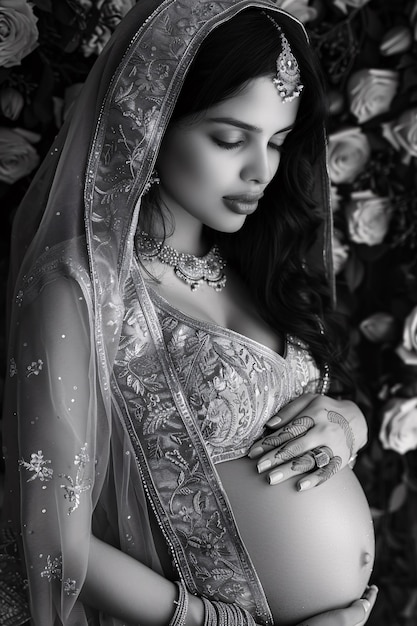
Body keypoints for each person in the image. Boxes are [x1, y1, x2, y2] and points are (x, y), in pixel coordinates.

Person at [0, 1, 378, 625]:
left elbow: (300, 423)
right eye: (230, 138)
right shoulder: (81, 287)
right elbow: (51, 537)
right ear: (152, 122)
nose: (260, 171)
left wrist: (349, 423)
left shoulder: (260, 264)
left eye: (277, 142)